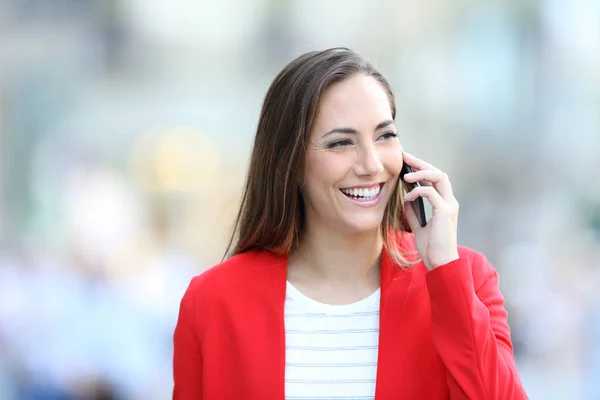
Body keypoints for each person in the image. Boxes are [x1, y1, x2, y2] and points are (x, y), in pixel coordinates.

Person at [173, 47, 528, 400]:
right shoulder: (211, 302)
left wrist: (444, 272)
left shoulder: (465, 280)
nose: (371, 164)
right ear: (291, 162)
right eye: (341, 143)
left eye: (385, 136)